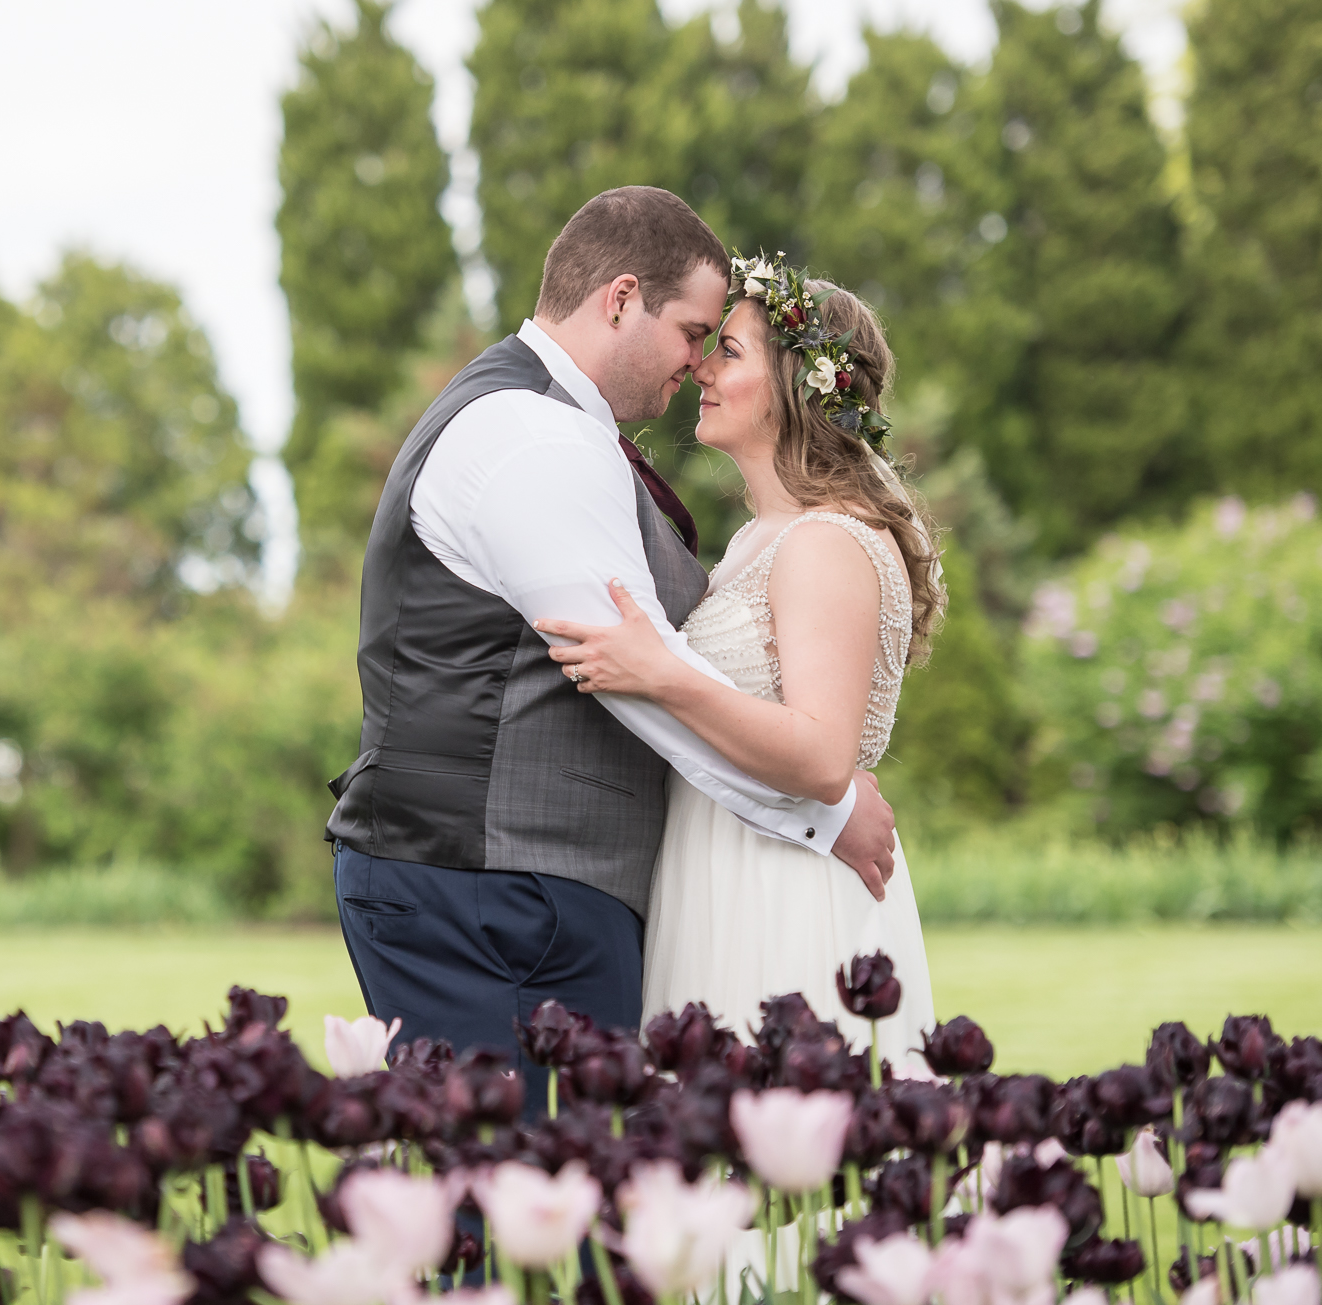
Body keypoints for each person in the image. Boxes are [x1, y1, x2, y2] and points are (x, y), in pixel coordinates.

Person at [323, 188, 900, 1104]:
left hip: (541, 892)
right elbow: (632, 678)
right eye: (693, 331)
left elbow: (653, 665)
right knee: (531, 1208)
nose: (697, 362)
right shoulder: (532, 435)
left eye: (722, 343)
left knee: (566, 1207)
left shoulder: (568, 429)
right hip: (487, 892)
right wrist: (825, 813)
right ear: (620, 299)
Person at [535, 251, 941, 1060]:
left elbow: (825, 758)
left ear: (797, 389)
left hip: (778, 887)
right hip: (723, 863)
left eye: (729, 352)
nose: (700, 369)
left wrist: (661, 673)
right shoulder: (763, 539)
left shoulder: (825, 542)